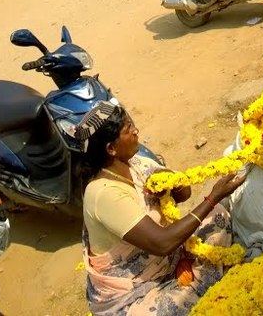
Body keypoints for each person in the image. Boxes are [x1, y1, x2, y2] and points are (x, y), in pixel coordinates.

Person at [80, 102, 245, 315]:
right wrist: (213, 198)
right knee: (167, 309)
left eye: (132, 124)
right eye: (128, 129)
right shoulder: (103, 193)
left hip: (170, 254)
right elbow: (161, 243)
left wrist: (169, 182)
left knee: (218, 217)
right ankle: (194, 282)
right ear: (111, 148)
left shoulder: (135, 162)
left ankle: (189, 277)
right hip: (136, 288)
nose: (136, 131)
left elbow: (184, 194)